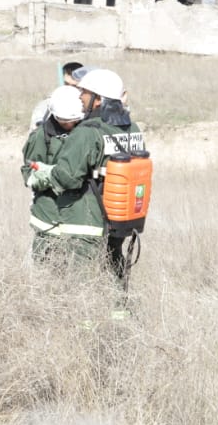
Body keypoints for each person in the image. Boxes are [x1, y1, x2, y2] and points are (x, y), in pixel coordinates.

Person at [27, 69, 145, 284]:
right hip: (120, 217)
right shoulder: (132, 128)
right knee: (114, 272)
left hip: (87, 220)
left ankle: (87, 319)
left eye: (84, 92)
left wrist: (44, 173)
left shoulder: (87, 132)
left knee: (83, 283)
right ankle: (119, 314)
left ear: (98, 99)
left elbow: (67, 177)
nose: (80, 97)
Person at [21, 84, 86, 262]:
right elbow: (28, 171)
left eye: (73, 121)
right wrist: (49, 176)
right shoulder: (41, 137)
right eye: (63, 121)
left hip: (79, 210)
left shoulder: (86, 133)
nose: (69, 125)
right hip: (48, 212)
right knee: (46, 261)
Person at [28, 61, 87, 130]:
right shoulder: (46, 106)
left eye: (75, 86)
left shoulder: (89, 106)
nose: (69, 89)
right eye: (66, 84)